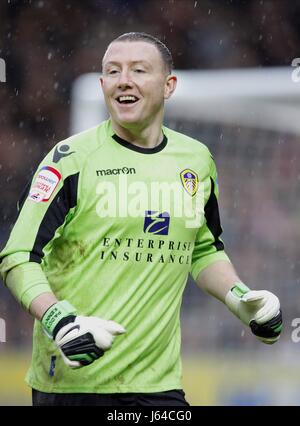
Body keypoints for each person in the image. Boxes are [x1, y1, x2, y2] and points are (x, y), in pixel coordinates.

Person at [0, 32, 282, 407]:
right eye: (113, 71)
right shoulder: (69, 160)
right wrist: (59, 320)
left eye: (138, 70)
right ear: (102, 85)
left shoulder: (196, 161)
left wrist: (239, 298)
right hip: (74, 385)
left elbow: (202, 248)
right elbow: (18, 257)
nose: (124, 80)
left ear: (169, 86)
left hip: (159, 387)